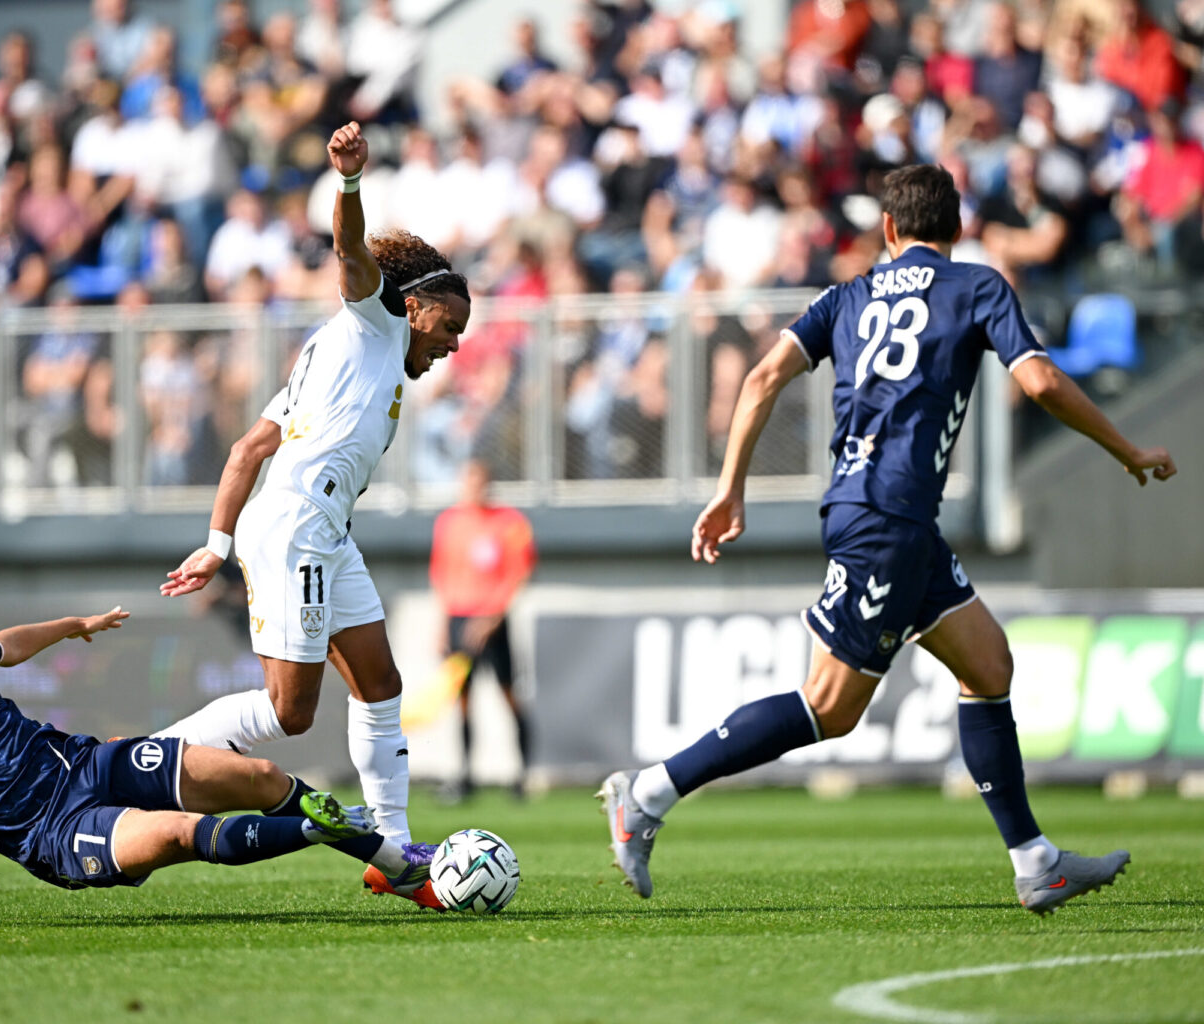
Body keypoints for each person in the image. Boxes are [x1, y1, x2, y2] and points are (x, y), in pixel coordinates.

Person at [598, 165, 1177, 914]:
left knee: (988, 664)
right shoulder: (977, 285)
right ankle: (648, 793)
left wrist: (730, 487)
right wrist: (1126, 449)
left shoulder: (846, 296)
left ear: (889, 229)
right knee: (829, 706)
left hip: (885, 515)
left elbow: (761, 378)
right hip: (887, 518)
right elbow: (1037, 382)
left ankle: (1035, 862)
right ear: (957, 229)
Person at [158, 121, 470, 910]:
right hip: (299, 525)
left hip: (322, 530)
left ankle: (392, 851)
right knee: (288, 713)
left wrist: (215, 544)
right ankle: (147, 760)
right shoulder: (373, 321)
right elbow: (350, 251)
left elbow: (247, 449)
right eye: (450, 326)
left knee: (380, 682)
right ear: (416, 306)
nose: (454, 345)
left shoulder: (330, 359)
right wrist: (351, 182)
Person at [0, 577, 386, 923]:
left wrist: (75, 625)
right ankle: (321, 829)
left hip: (85, 762)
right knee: (179, 834)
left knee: (259, 774)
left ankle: (395, 863)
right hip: (53, 833)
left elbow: (8, 643)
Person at [429, 458, 536, 800]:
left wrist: (491, 618)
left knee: (509, 694)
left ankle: (522, 775)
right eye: (468, 481)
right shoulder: (448, 522)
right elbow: (443, 575)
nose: (473, 488)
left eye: (479, 481)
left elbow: (518, 573)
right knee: (462, 700)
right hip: (460, 619)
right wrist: (443, 625)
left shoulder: (510, 522)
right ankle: (465, 776)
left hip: (493, 622)